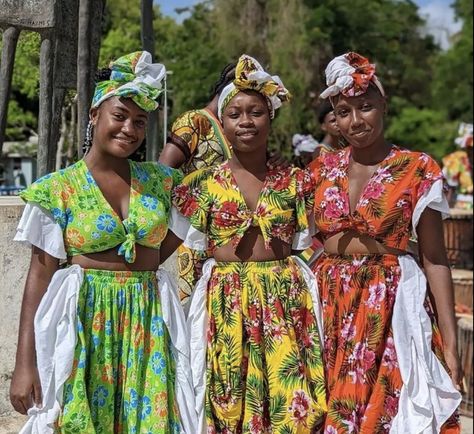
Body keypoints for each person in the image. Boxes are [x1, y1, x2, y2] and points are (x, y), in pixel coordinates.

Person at [10, 51, 195, 433]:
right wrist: (25, 363)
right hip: (86, 325)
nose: (130, 128)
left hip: (148, 322)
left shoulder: (161, 183)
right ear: (94, 115)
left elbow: (183, 229)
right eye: (120, 116)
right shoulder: (57, 189)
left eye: (140, 122)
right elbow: (39, 279)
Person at [162, 54, 327, 433]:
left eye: (256, 112)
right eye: (235, 114)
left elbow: (314, 241)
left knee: (292, 402)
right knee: (227, 397)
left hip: (286, 299)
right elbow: (169, 245)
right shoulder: (200, 186)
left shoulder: (295, 182)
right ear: (223, 122)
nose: (246, 122)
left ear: (271, 117)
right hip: (226, 302)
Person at [308, 52, 462, 433]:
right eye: (344, 112)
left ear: (383, 106)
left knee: (387, 416)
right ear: (334, 118)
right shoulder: (320, 169)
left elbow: (435, 258)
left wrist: (451, 344)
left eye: (365, 107)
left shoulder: (417, 168)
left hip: (389, 305)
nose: (356, 121)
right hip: (329, 307)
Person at [159, 63, 288, 307]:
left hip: (236, 231)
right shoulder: (196, 121)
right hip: (197, 229)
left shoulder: (242, 129)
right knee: (199, 307)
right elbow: (164, 171)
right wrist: (190, 197)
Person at [442, 122, 473, 210]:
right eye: (470, 148)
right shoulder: (457, 160)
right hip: (463, 205)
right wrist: (446, 212)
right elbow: (449, 188)